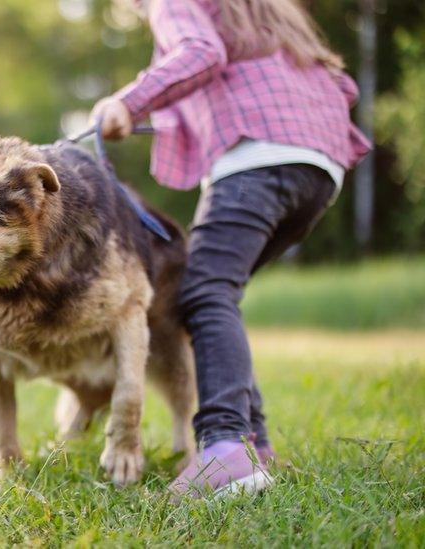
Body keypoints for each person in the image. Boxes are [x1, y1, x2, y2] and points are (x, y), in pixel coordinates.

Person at [89, 0, 371, 497]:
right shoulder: (264, 12)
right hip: (319, 172)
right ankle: (254, 449)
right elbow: (333, 86)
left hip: (255, 163)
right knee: (216, 293)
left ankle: (223, 445)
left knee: (202, 293)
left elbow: (200, 52)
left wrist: (128, 102)